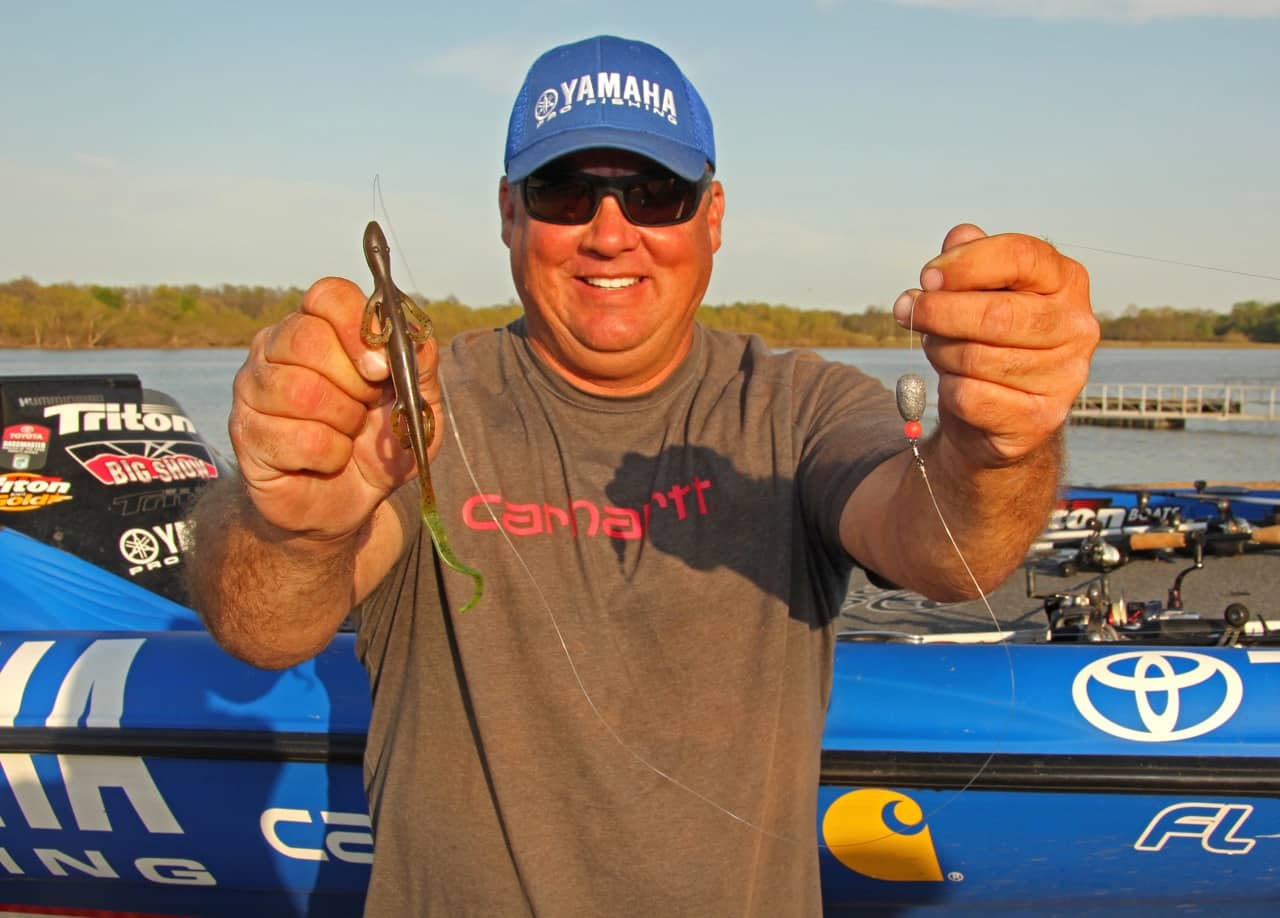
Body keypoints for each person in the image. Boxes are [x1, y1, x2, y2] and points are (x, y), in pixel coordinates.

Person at [187, 34, 1099, 917]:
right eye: (564, 192)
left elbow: (949, 552)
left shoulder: (797, 407)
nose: (610, 233)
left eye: (655, 194)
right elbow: (263, 629)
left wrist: (996, 450)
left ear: (712, 215)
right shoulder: (410, 413)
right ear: (509, 214)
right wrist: (291, 528)